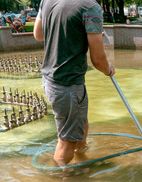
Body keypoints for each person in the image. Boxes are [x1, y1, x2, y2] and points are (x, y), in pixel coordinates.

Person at [33, 0, 115, 170]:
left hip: (51, 79)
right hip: (67, 85)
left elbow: (38, 34)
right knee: (66, 141)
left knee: (82, 125)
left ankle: (80, 158)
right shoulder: (90, 7)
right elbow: (98, 60)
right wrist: (109, 70)